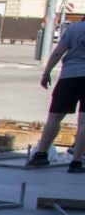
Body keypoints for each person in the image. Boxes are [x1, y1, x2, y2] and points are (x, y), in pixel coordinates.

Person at [29, 16, 85, 171]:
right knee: (84, 122)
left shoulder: (74, 28)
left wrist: (46, 73)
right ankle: (76, 162)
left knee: (54, 117)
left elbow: (57, 53)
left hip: (69, 77)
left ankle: (41, 155)